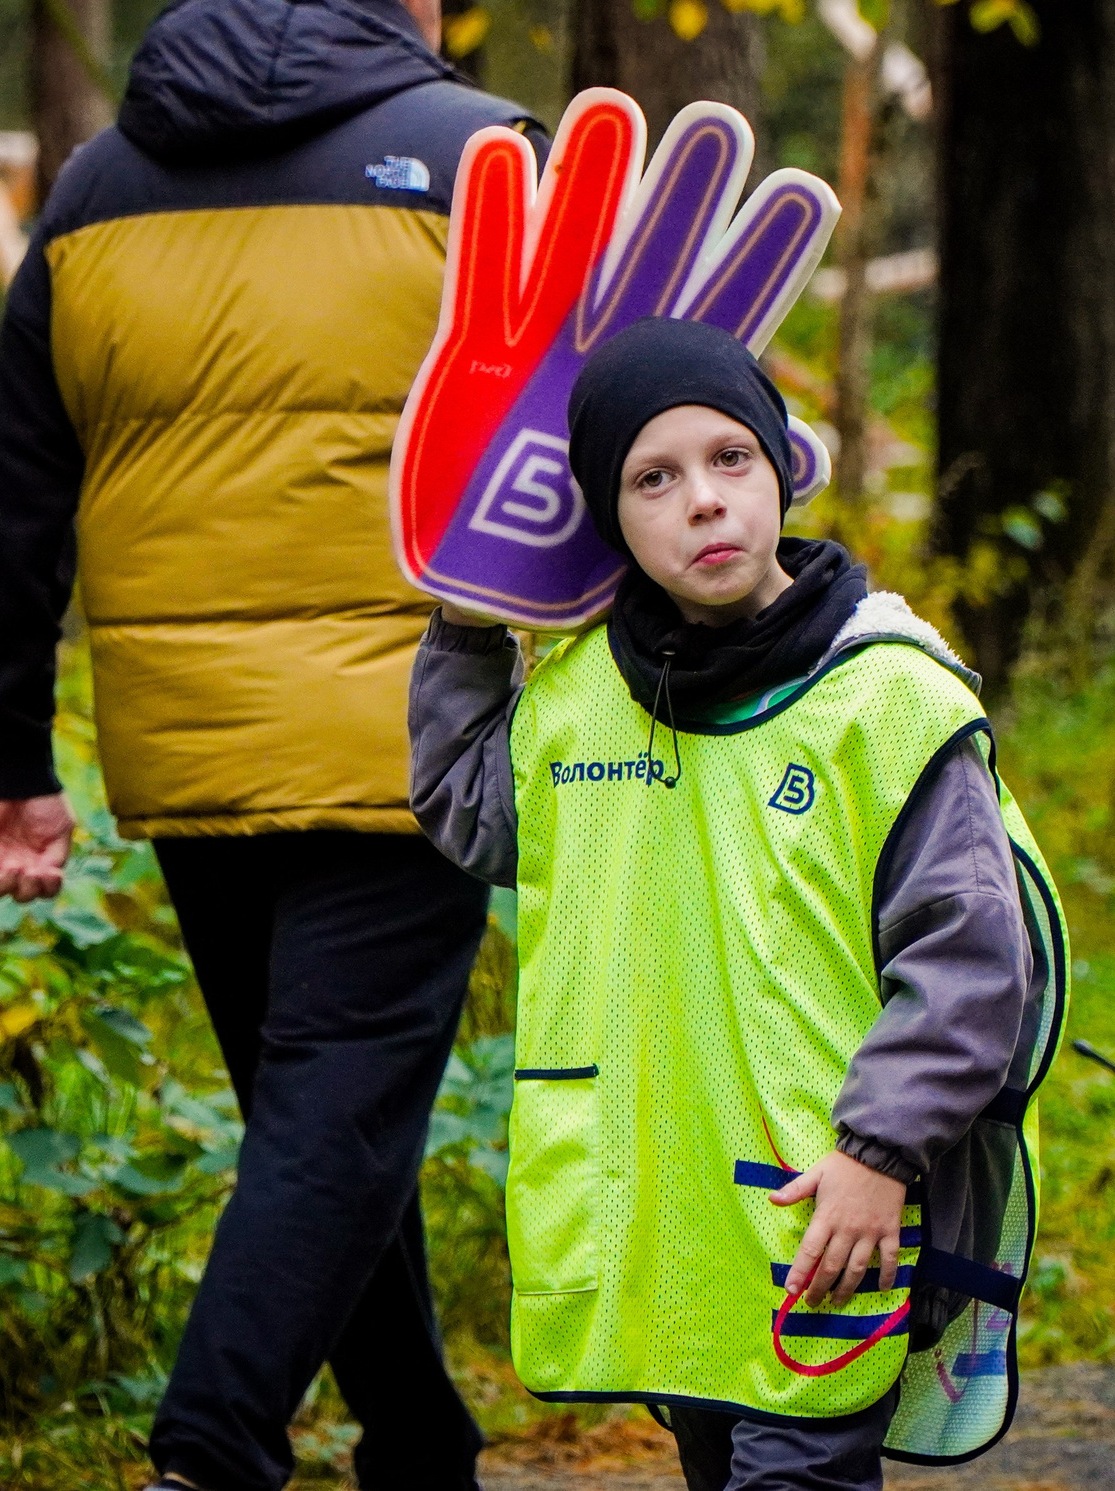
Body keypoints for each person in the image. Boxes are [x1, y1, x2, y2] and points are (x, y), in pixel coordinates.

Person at [0, 0, 545, 1491]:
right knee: (334, 1122)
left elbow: (15, 502)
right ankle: (211, 1455)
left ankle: (418, 1447)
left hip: (187, 745)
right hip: (407, 730)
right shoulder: (486, 160)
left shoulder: (88, 187)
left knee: (317, 1121)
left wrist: (13, 763)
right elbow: (588, 433)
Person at [408, 317, 1062, 1491]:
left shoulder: (887, 701)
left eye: (730, 460)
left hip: (825, 1209)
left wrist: (881, 1148)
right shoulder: (579, 701)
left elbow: (972, 966)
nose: (702, 502)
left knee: (793, 1476)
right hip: (669, 1223)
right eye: (652, 479)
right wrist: (465, 616)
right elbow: (470, 811)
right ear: (609, 517)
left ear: (778, 469)